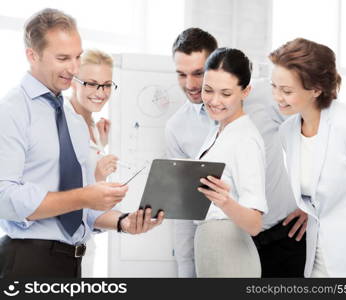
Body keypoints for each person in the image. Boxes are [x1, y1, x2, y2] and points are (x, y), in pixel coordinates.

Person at [0, 8, 163, 278]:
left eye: (77, 56)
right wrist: (83, 196)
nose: (74, 68)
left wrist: (123, 222)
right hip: (26, 261)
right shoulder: (12, 110)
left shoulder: (72, 120)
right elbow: (3, 197)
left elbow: (80, 210)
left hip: (72, 263)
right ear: (32, 55)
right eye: (63, 58)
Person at [166, 28, 306, 278]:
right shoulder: (179, 128)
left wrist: (312, 201)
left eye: (198, 73)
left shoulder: (264, 97)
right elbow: (185, 211)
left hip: (282, 235)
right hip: (227, 247)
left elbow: (316, 125)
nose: (190, 85)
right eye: (181, 74)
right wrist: (186, 273)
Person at [270, 38, 346, 277]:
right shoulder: (287, 132)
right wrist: (308, 207)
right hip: (318, 256)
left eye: (287, 91)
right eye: (274, 87)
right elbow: (315, 187)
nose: (278, 97)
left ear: (315, 89)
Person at [193, 47, 266, 277]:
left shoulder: (246, 139)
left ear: (246, 91)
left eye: (226, 94)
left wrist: (225, 202)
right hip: (209, 248)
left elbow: (255, 223)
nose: (214, 101)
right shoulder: (217, 131)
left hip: (231, 254)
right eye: (208, 90)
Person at [68, 49, 119, 277]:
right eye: (91, 83)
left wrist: (101, 146)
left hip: (85, 245)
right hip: (58, 249)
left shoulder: (94, 127)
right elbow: (62, 192)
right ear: (72, 82)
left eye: (107, 85)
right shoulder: (63, 123)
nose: (101, 92)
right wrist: (98, 177)